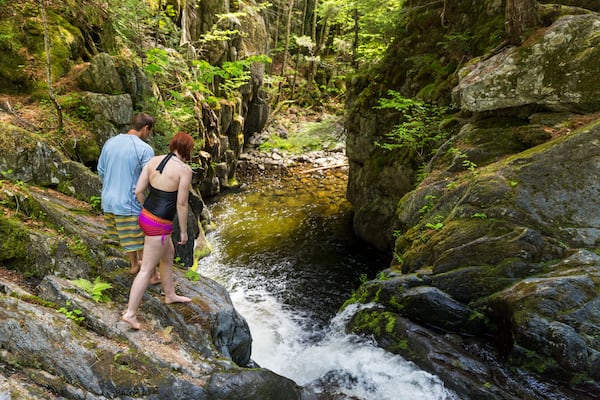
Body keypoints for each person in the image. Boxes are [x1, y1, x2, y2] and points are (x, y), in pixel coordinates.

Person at [121, 132, 194, 330]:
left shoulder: (154, 161)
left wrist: (148, 210)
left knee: (168, 254)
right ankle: (130, 313)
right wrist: (185, 232)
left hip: (145, 217)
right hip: (159, 225)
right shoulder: (184, 170)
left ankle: (169, 294)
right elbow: (181, 203)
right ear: (188, 150)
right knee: (145, 271)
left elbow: (138, 191)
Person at [97, 112, 160, 284]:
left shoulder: (110, 142)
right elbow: (150, 178)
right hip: (129, 201)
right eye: (150, 131)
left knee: (127, 236)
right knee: (143, 236)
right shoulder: (144, 149)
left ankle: (134, 264)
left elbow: (101, 170)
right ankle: (152, 275)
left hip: (109, 201)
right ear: (146, 128)